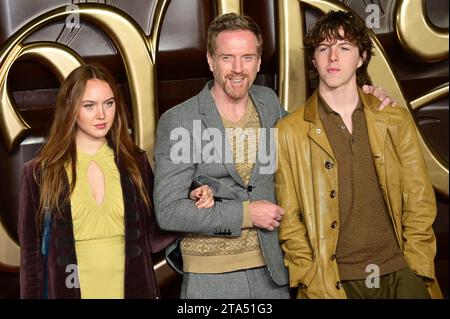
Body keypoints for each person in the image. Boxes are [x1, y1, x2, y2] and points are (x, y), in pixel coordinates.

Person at [153, 13, 394, 299]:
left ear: (258, 62)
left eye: (248, 57)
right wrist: (246, 214)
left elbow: (312, 142)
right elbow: (169, 212)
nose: (238, 68)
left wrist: (363, 99)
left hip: (273, 273)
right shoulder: (179, 120)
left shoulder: (268, 103)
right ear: (211, 60)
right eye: (227, 57)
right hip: (211, 277)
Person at [275, 10, 442, 299]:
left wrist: (416, 267)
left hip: (400, 273)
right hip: (334, 283)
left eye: (344, 47)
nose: (333, 58)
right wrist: (309, 276)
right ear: (313, 59)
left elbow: (419, 199)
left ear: (362, 56)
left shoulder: (393, 119)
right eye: (323, 48)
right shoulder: (290, 131)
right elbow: (290, 220)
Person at [18, 64, 212, 299]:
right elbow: (31, 261)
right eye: (89, 105)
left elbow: (152, 237)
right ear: (70, 108)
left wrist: (187, 203)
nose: (102, 114)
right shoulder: (40, 172)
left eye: (108, 103)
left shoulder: (134, 162)